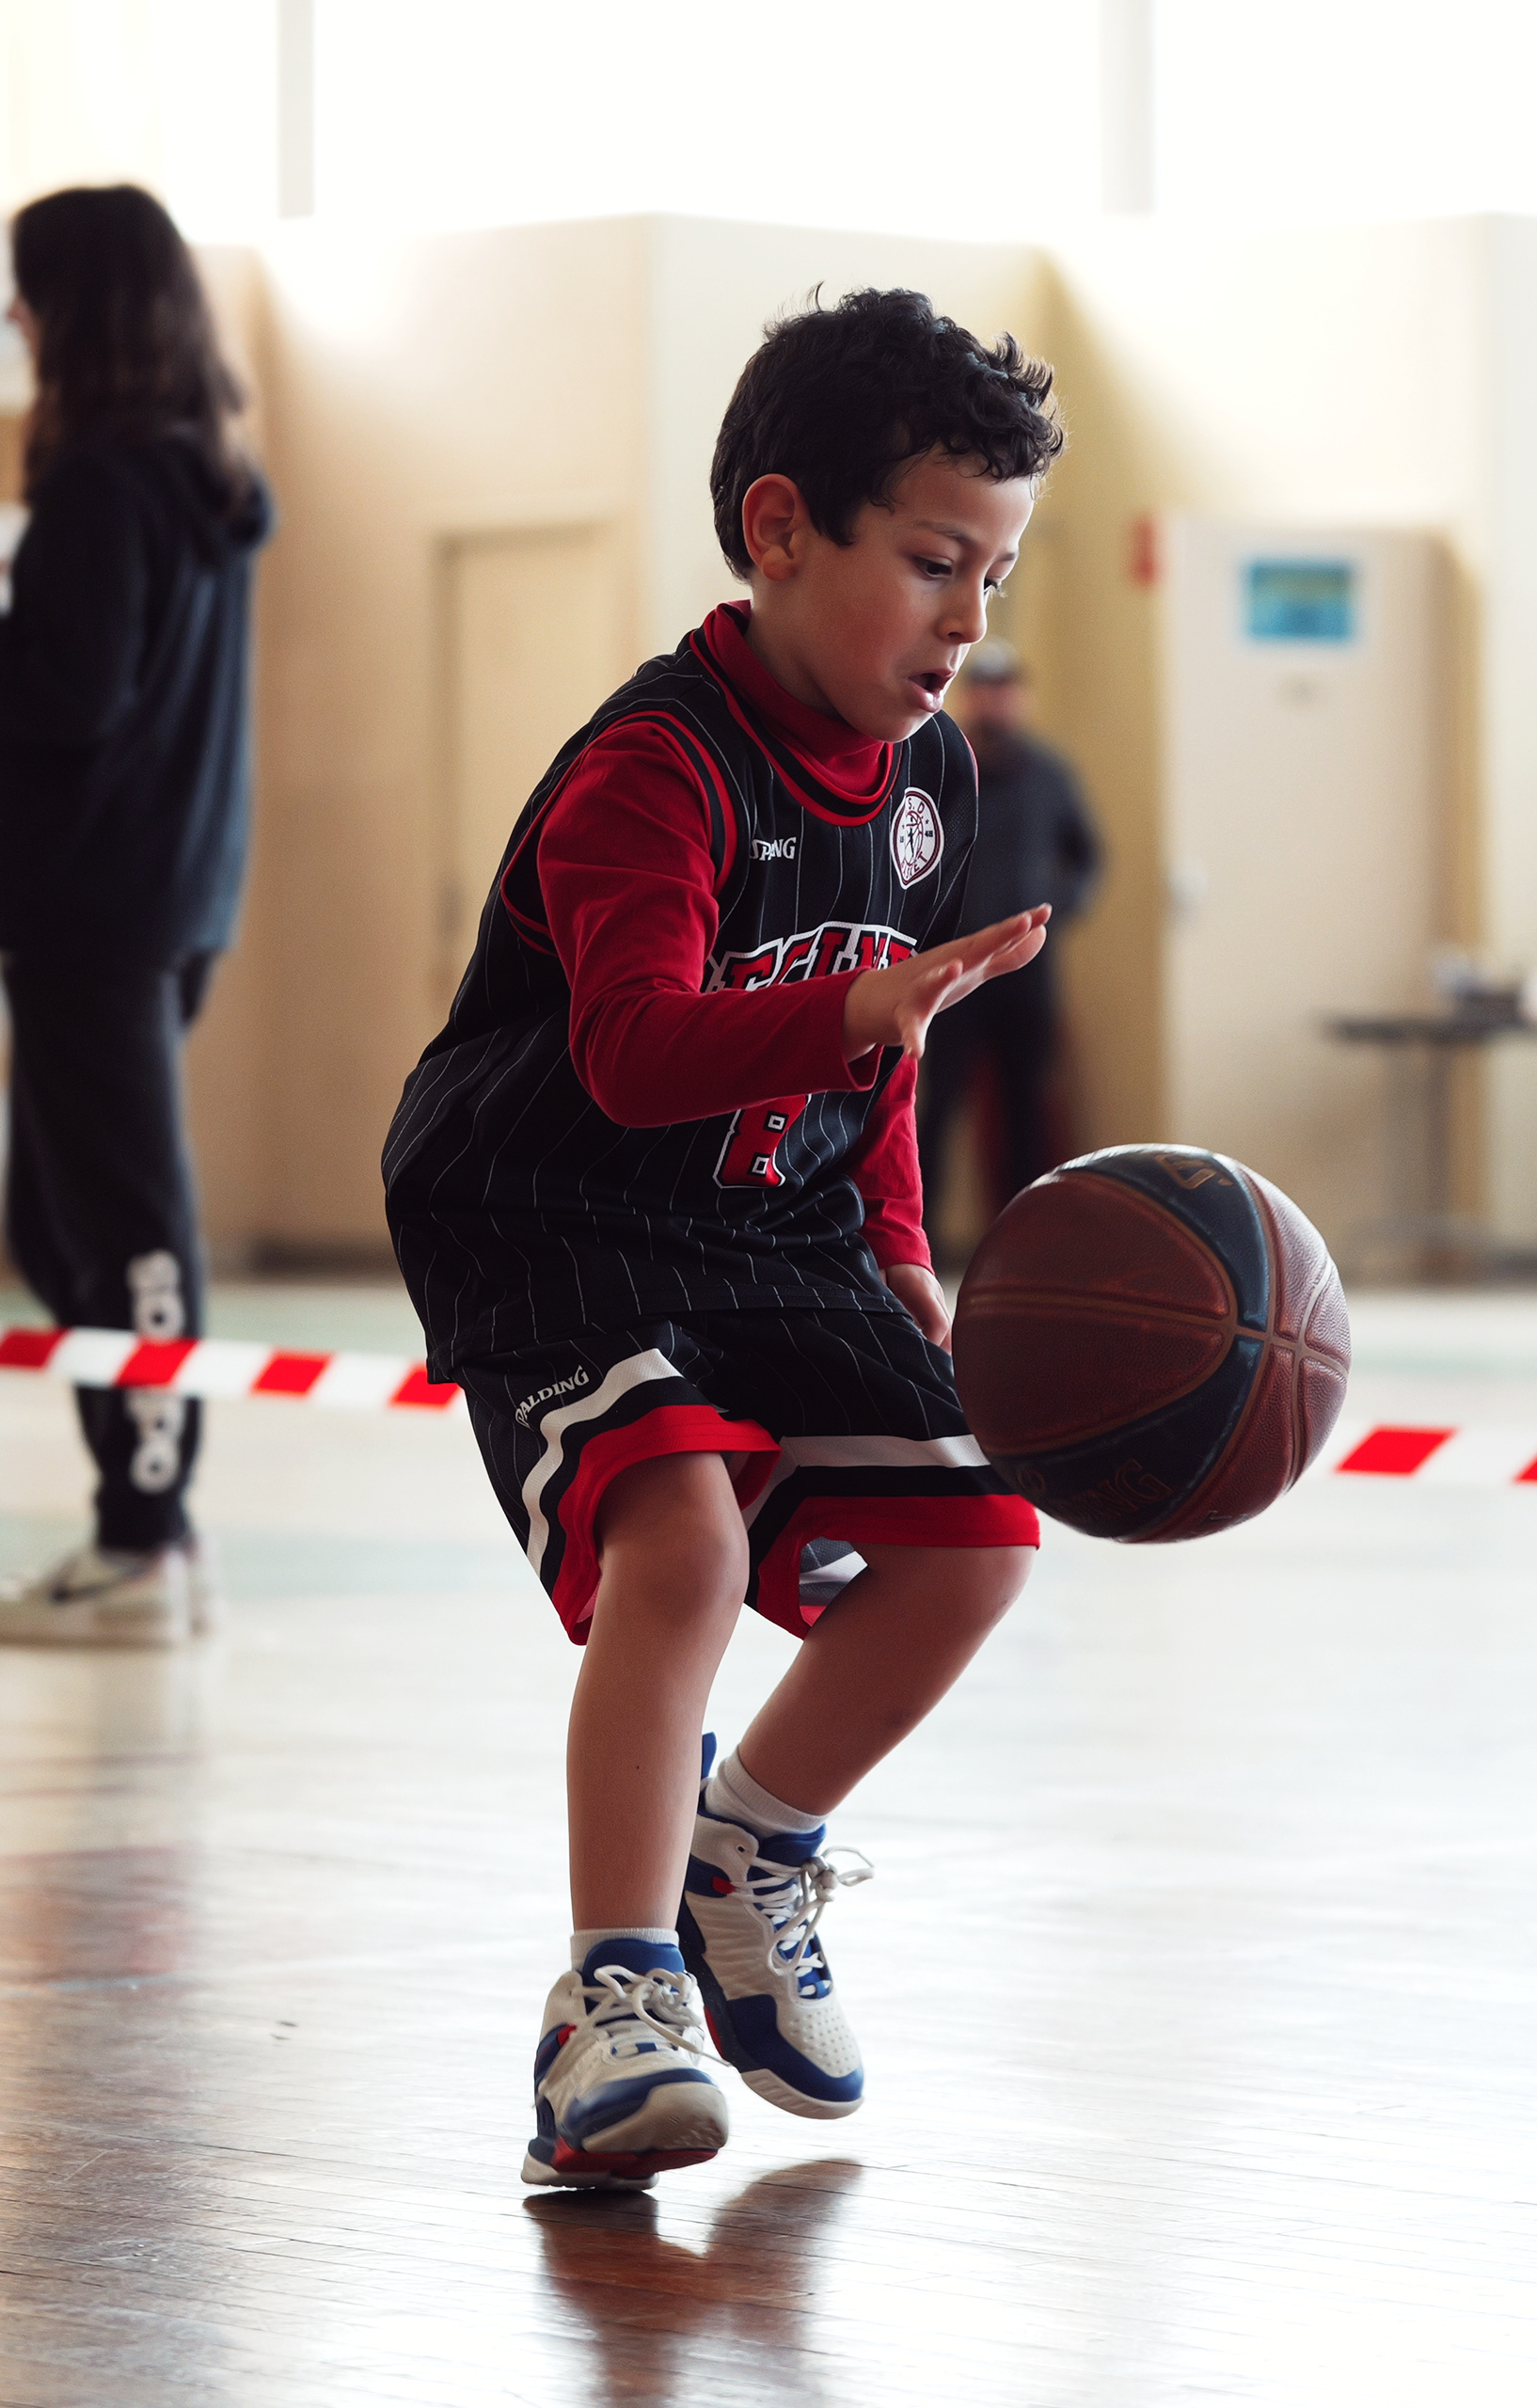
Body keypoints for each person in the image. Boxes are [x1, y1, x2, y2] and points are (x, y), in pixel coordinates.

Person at [382, 288, 1065, 2190]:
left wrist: (901, 1240)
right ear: (780, 529)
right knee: (676, 1538)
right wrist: (859, 1014)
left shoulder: (929, 779)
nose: (968, 619)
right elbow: (629, 1049)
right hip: (556, 1207)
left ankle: (748, 1842)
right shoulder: (655, 770)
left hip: (774, 1216)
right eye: (932, 560)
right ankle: (613, 1993)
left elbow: (895, 1044)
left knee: (980, 1534)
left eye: (995, 573)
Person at [0, 184, 273, 1646]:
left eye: (29, 288)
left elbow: (68, 695)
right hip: (156, 893)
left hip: (99, 904)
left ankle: (146, 1540)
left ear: (81, 305)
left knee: (123, 1228)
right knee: (57, 1225)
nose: (14, 315)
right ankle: (146, 1522)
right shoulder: (195, 479)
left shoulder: (105, 485)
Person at [914, 642, 1100, 1227]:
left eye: (1005, 689)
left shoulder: (1049, 773)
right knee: (938, 1105)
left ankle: (1022, 1240)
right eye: (984, 689)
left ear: (1019, 697)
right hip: (953, 967)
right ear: (970, 695)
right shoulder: (940, 764)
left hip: (1027, 968)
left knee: (1026, 1105)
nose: (994, 700)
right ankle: (918, 1240)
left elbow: (1086, 856)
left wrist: (1057, 909)